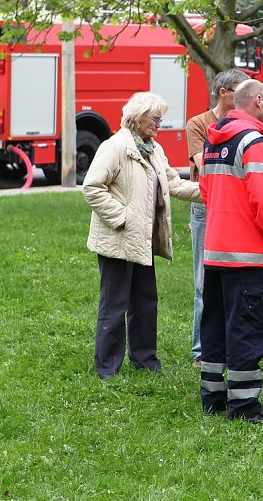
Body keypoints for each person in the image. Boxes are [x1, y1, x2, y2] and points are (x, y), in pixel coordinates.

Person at [82, 92, 201, 380]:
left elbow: (173, 182)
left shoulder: (154, 149)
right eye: (155, 118)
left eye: (161, 118)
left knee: (145, 301)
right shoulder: (115, 147)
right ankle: (107, 367)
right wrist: (123, 219)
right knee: (115, 303)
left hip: (143, 241)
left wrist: (212, 192)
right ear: (136, 118)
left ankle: (145, 360)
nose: (159, 124)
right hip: (118, 240)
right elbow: (92, 188)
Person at [198, 79, 263, 425]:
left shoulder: (213, 139)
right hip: (250, 254)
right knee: (247, 329)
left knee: (216, 327)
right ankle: (245, 406)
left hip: (217, 250)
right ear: (257, 103)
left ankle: (213, 397)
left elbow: (207, 192)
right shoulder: (253, 141)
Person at [186, 69, 249, 367]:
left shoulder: (247, 123)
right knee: (204, 281)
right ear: (223, 92)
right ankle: (202, 351)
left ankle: (227, 345)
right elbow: (205, 165)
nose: (246, 95)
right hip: (207, 207)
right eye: (240, 89)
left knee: (235, 278)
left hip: (238, 206)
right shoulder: (198, 124)